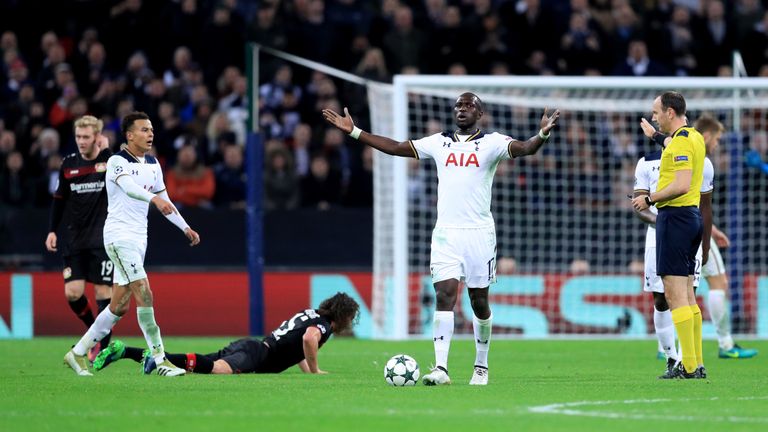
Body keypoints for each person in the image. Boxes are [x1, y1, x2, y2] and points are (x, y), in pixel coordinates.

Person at [323, 93, 559, 386]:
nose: (462, 109)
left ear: (480, 113)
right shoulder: (438, 142)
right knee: (445, 295)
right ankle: (441, 368)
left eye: (469, 105)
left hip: (479, 234)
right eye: (458, 105)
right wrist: (355, 132)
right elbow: (397, 147)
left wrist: (542, 134)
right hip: (446, 233)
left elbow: (525, 149)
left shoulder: (493, 142)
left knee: (478, 301)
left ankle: (481, 366)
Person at [63, 111, 201, 377]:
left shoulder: (153, 164)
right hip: (119, 237)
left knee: (119, 306)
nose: (150, 134)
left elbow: (166, 201)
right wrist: (153, 200)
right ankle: (160, 360)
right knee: (144, 291)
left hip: (139, 240)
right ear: (129, 135)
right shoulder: (116, 161)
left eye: (151, 130)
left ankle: (77, 352)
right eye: (144, 130)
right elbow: (128, 187)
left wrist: (185, 227)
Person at [638, 114, 758, 364]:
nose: (718, 144)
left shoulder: (693, 157)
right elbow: (699, 202)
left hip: (680, 225)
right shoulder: (687, 152)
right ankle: (689, 358)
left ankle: (690, 361)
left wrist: (651, 200)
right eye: (718, 138)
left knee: (682, 293)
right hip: (687, 225)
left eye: (657, 112)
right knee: (677, 296)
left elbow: (687, 192)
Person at [93, 292, 359, 375]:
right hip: (255, 355)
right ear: (342, 315)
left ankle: (125, 351)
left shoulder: (312, 313)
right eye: (350, 316)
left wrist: (305, 368)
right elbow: (307, 339)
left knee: (183, 363)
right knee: (215, 370)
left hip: (252, 347)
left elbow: (295, 344)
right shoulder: (324, 326)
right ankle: (150, 360)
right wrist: (315, 371)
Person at [632, 92, 708, 379]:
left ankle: (688, 366)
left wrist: (649, 199)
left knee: (675, 295)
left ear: (671, 113)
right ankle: (696, 363)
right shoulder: (693, 137)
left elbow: (681, 183)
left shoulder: (681, 142)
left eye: (656, 112)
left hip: (675, 218)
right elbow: (671, 143)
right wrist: (654, 136)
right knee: (688, 296)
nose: (654, 116)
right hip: (690, 218)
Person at [45, 115, 113, 362]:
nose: (81, 141)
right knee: (73, 293)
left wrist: (107, 151)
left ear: (97, 137)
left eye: (86, 137)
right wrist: (52, 230)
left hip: (102, 240)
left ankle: (101, 348)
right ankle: (93, 332)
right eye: (78, 137)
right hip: (74, 240)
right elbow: (59, 200)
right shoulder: (68, 165)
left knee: (103, 292)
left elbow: (120, 174)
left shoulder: (108, 161)